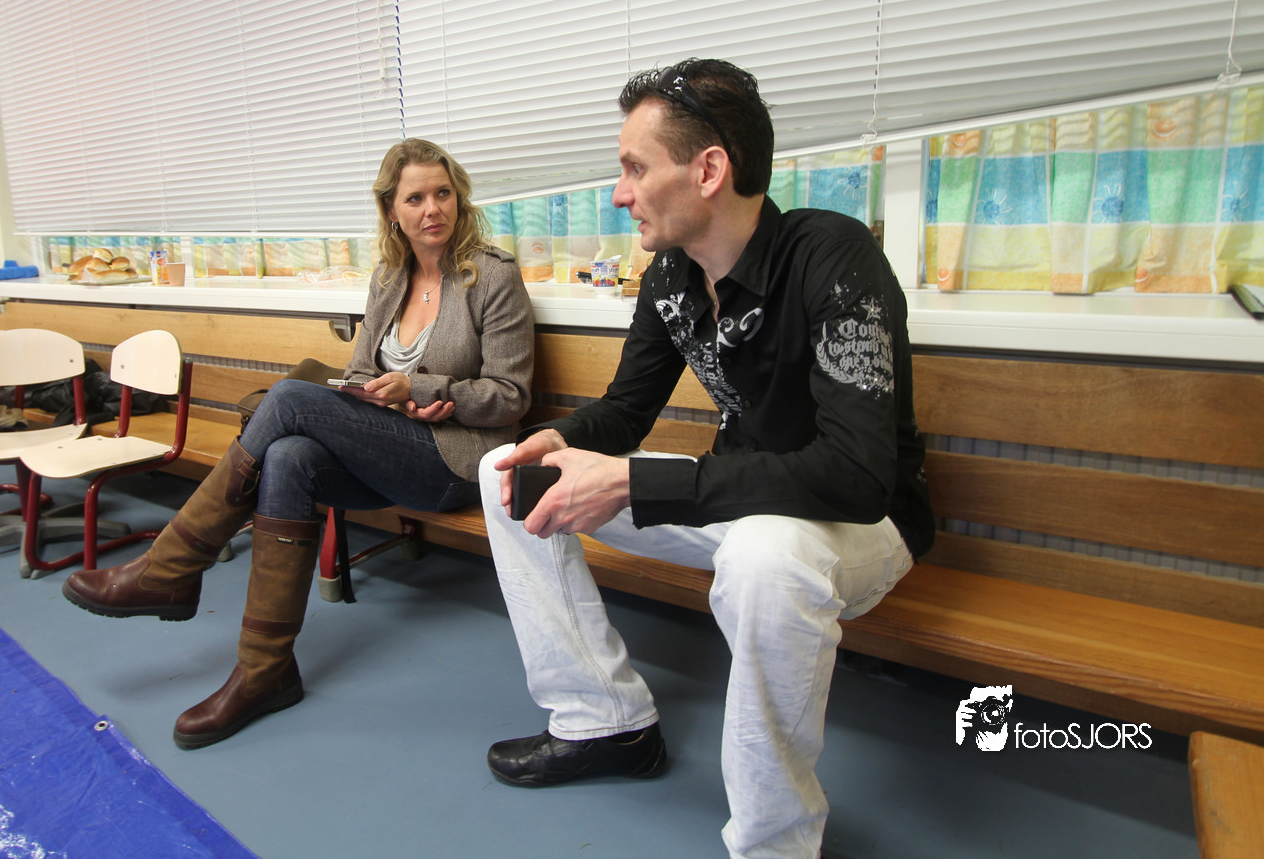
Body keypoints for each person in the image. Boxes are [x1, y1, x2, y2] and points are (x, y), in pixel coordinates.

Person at [480, 59, 933, 859]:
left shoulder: (833, 256)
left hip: (860, 525)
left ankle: (774, 845)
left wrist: (634, 478)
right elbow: (626, 411)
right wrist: (563, 439)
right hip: (740, 503)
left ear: (708, 170)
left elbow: (858, 477)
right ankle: (603, 720)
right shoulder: (670, 275)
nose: (618, 193)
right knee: (509, 474)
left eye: (633, 168)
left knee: (764, 554)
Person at [64, 137, 534, 749]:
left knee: (287, 398)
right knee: (288, 456)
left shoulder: (491, 275)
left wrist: (423, 388)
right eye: (415, 198)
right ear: (392, 209)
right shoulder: (389, 277)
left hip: (454, 461)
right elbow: (361, 371)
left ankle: (170, 567)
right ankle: (265, 671)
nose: (432, 209)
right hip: (387, 447)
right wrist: (377, 395)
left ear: (459, 198)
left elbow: (511, 396)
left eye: (442, 193)